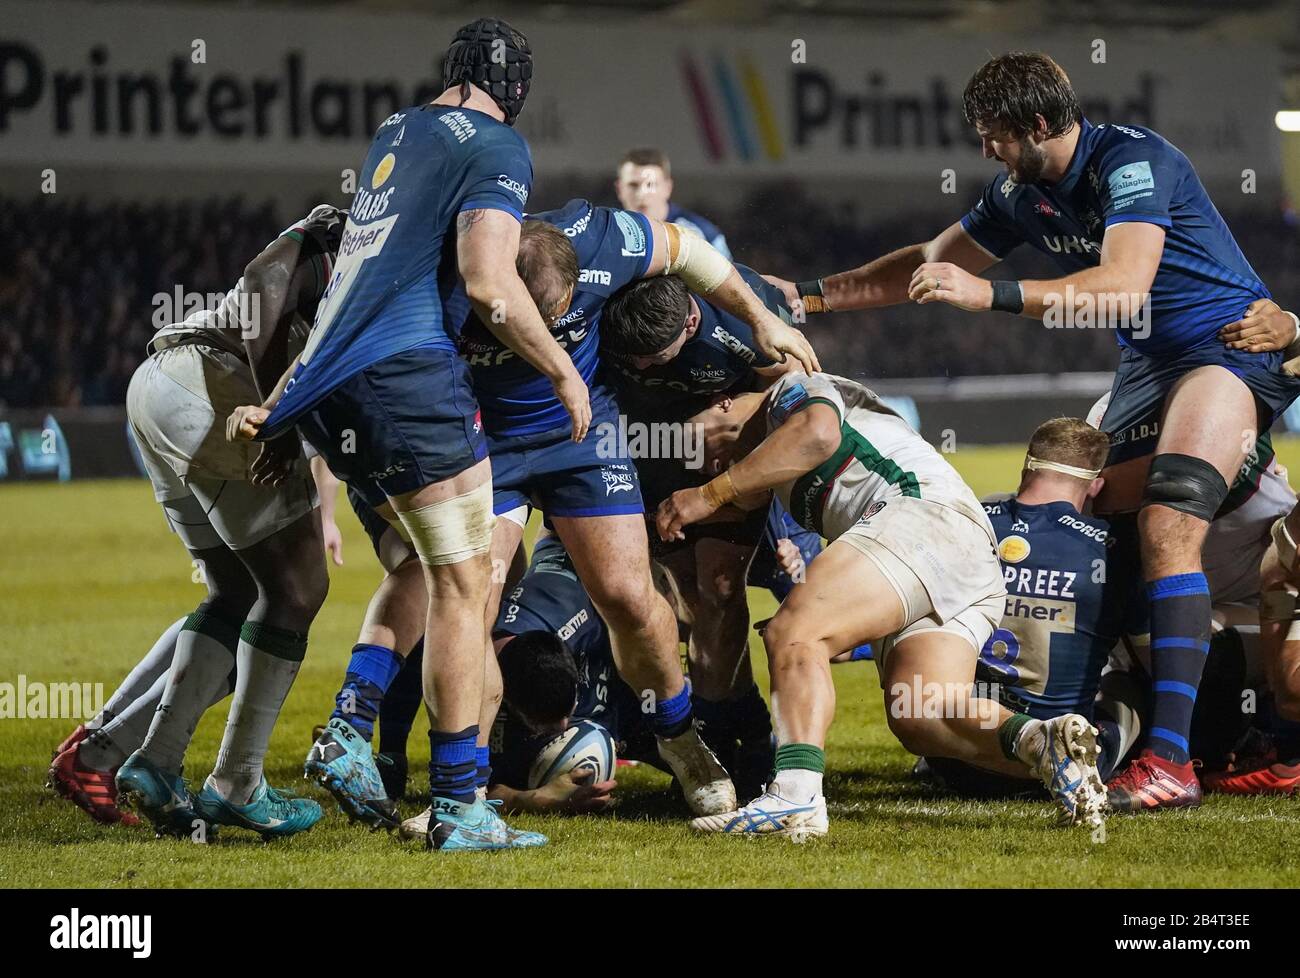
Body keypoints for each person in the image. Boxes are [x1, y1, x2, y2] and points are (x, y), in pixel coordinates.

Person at [765, 52, 1300, 812]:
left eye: (993, 134)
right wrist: (810, 299)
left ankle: (1172, 763)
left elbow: (1122, 289)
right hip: (1150, 365)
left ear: (1038, 124)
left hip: (1227, 349)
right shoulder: (1021, 193)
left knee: (1167, 523)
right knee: (1088, 527)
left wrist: (990, 295)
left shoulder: (1134, 160)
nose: (984, 150)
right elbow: (925, 265)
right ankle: (1156, 721)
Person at [660, 372, 1109, 837]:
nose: (703, 460)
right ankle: (1043, 742)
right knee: (921, 714)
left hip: (919, 517)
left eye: (693, 439)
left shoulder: (791, 391)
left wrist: (709, 494)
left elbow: (817, 434)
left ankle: (794, 797)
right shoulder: (765, 461)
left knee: (794, 633)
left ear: (723, 400)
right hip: (964, 557)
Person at [90, 205, 344, 839]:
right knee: (297, 590)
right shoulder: (350, 235)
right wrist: (271, 415)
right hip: (212, 381)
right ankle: (237, 780)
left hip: (162, 383)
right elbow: (264, 281)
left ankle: (154, 762)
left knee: (235, 591)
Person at [614, 148, 731, 258]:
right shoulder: (606, 232)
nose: (641, 194)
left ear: (668, 188)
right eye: (633, 185)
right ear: (619, 189)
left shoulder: (701, 234)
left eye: (651, 184)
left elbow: (733, 278)